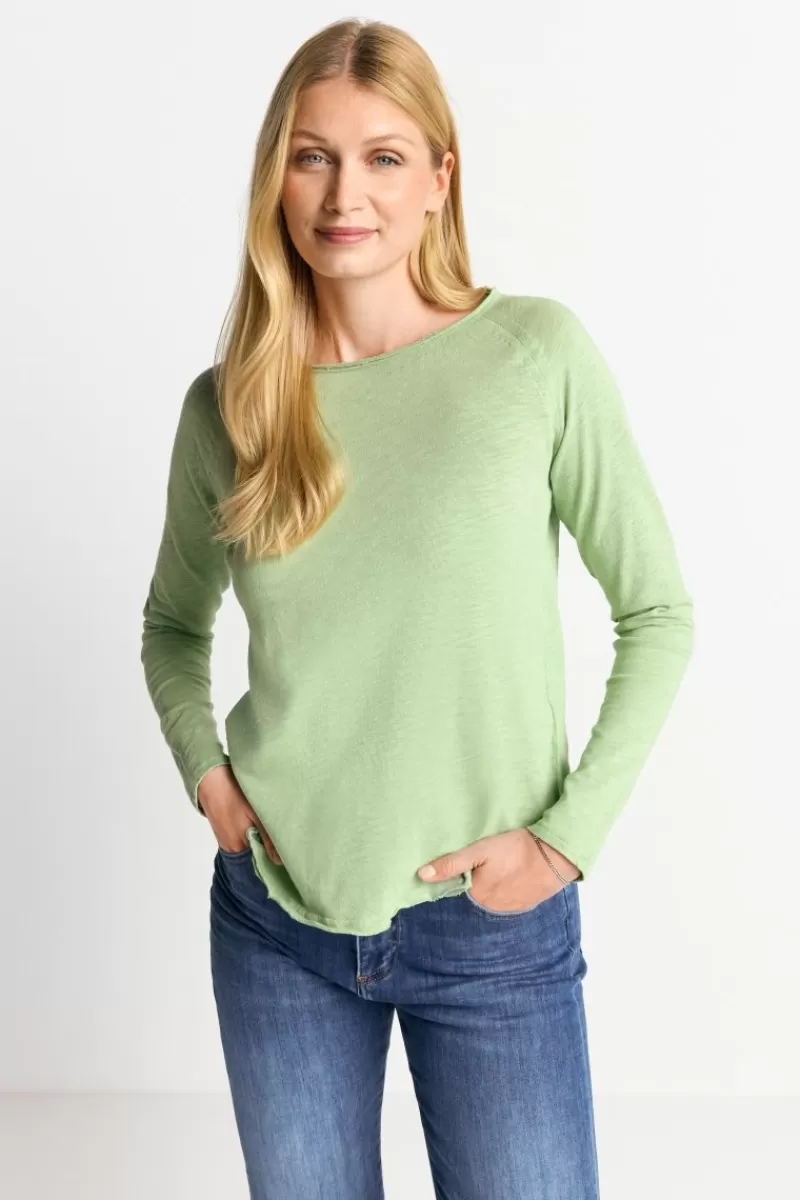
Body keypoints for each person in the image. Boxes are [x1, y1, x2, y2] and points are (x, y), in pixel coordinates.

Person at [140, 17, 694, 1200]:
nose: (346, 194)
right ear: (275, 178)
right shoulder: (229, 407)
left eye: (383, 157)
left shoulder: (532, 357)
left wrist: (565, 840)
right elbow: (173, 628)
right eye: (312, 156)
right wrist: (209, 777)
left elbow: (656, 611)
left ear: (440, 179)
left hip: (489, 927)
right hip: (276, 920)